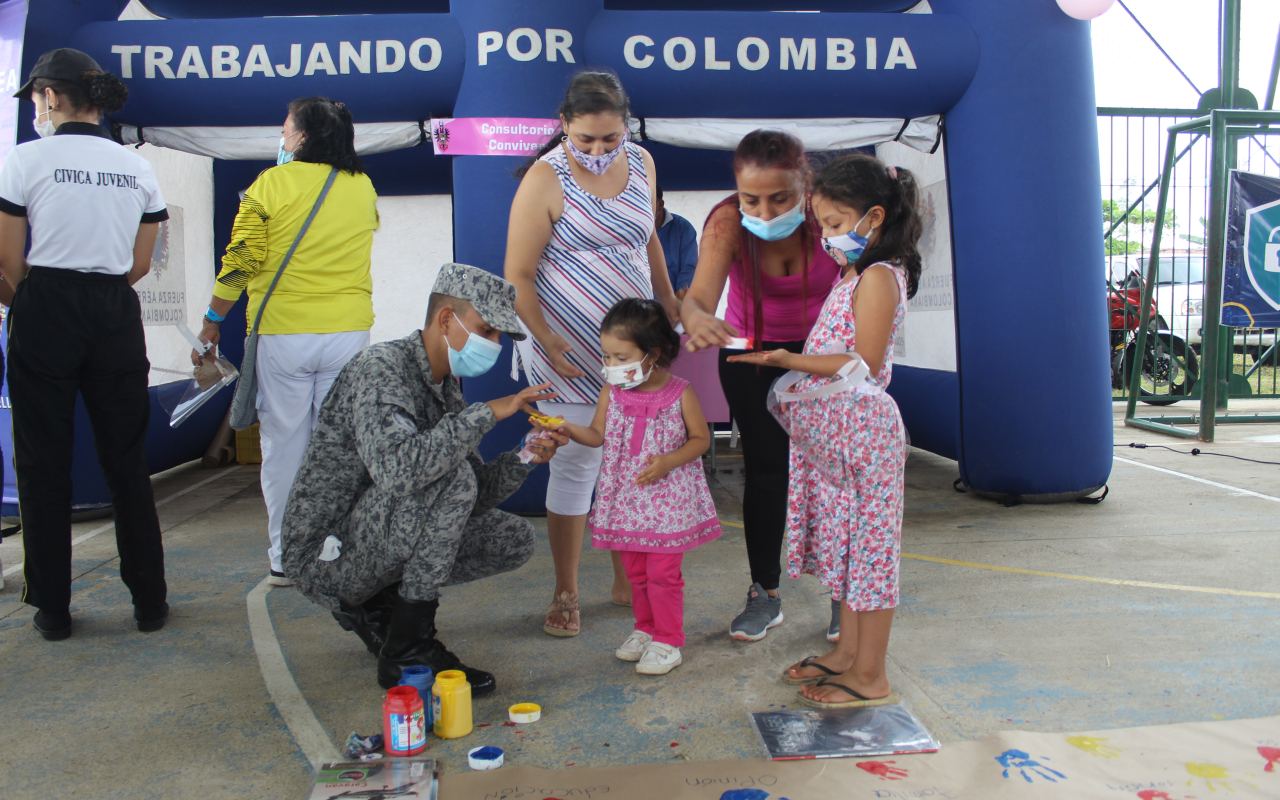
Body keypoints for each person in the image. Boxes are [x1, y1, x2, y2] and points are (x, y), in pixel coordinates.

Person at [280, 263, 568, 694]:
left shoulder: (444, 385)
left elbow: (469, 495)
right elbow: (401, 472)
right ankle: (407, 650)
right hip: (325, 554)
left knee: (513, 538)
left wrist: (525, 456)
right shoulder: (382, 368)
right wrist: (488, 412)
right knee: (450, 480)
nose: (494, 346)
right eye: (487, 331)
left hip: (375, 534)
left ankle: (381, 607)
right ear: (446, 319)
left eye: (499, 338)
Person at [729, 153, 921, 709]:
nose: (829, 237)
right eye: (825, 226)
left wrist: (787, 359)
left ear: (874, 218)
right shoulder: (851, 276)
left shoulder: (881, 278)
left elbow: (859, 362)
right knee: (845, 553)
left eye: (837, 225)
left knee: (871, 556)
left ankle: (871, 675)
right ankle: (846, 656)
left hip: (864, 437)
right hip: (834, 442)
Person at [0, 49, 169, 640]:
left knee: (43, 459)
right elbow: (141, 263)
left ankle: (53, 608)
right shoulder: (137, 168)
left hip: (46, 303)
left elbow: (8, 258)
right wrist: (98, 291)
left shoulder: (24, 160)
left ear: (49, 95)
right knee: (126, 460)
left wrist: (41, 299)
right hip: (115, 309)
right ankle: (150, 602)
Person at [505, 70, 680, 637]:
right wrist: (547, 339)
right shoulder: (543, 179)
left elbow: (648, 235)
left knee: (632, 464)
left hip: (631, 348)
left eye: (611, 138)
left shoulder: (643, 163)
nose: (601, 151)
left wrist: (670, 302)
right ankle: (566, 590)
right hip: (566, 350)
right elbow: (519, 275)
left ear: (626, 126)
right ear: (564, 127)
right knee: (577, 467)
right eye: (587, 141)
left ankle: (624, 577)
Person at [198, 97, 378, 587]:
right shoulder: (362, 187)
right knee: (337, 445)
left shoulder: (270, 185)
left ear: (302, 136)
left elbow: (241, 260)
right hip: (348, 330)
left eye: (286, 129)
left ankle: (284, 555)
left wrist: (214, 318)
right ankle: (331, 547)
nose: (282, 137)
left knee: (284, 447)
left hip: (284, 332)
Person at [680, 130, 839, 643]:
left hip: (820, 355)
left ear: (806, 184)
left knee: (835, 474)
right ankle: (764, 594)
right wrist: (698, 318)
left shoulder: (829, 215)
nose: (766, 213)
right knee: (768, 473)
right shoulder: (728, 221)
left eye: (781, 198)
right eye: (753, 199)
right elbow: (699, 297)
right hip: (752, 353)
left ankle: (844, 594)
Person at [543, 299, 720, 676]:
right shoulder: (612, 392)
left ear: (652, 354)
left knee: (663, 575)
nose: (611, 366)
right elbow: (596, 435)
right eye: (607, 356)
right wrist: (566, 428)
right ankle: (645, 630)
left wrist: (669, 460)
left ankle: (668, 640)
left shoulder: (680, 392)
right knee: (637, 574)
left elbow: (701, 439)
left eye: (621, 357)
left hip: (667, 505)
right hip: (626, 502)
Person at [654, 185, 699, 300]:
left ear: (660, 205)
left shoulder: (683, 229)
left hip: (671, 307)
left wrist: (680, 303)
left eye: (647, 203)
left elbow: (689, 268)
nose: (641, 208)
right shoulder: (632, 229)